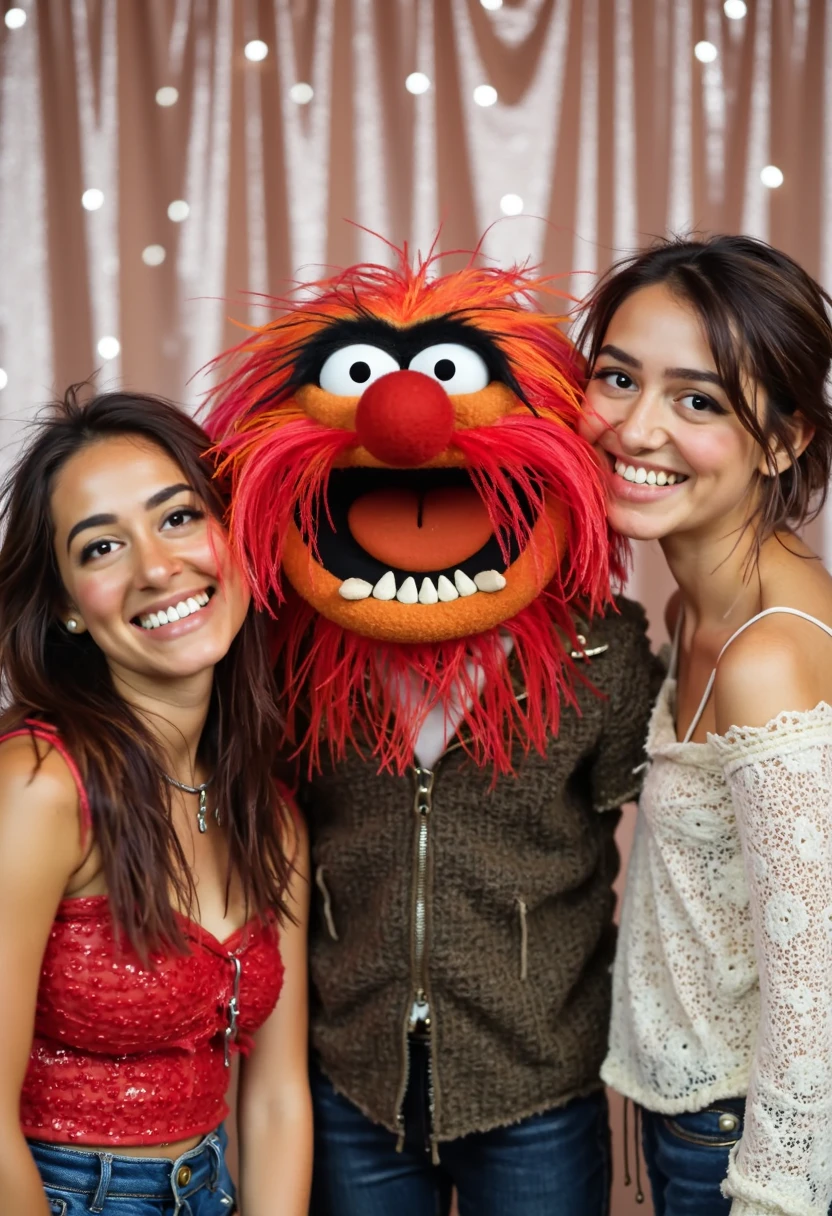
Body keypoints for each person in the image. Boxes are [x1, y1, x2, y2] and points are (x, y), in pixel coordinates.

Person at [206, 249, 665, 1216]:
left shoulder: (603, 653)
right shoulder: (289, 655)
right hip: (350, 1083)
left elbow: (676, 849)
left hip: (539, 1087)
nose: (404, 422)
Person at [0, 389, 312, 1216]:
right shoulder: (39, 787)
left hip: (209, 1191)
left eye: (177, 518)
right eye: (102, 547)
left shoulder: (270, 815)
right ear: (66, 604)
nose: (156, 566)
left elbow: (277, 1100)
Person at [579, 234, 832, 1216]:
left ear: (784, 438)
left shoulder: (771, 652)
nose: (636, 429)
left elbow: (815, 997)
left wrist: (769, 1196)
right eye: (616, 378)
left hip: (744, 1146)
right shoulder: (692, 609)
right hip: (686, 1120)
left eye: (697, 400)